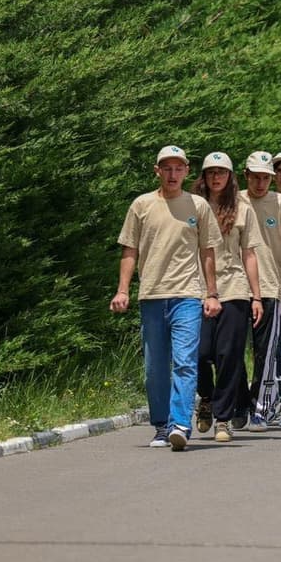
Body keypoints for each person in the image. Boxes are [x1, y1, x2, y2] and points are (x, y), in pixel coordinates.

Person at [111, 145, 222, 451]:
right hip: (152, 295)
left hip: (187, 294)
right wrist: (123, 290)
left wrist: (211, 293)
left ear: (187, 171)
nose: (173, 174)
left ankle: (180, 424)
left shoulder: (198, 206)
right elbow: (129, 250)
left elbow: (207, 251)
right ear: (157, 171)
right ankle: (161, 424)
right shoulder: (141, 205)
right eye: (167, 168)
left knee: (185, 362)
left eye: (179, 168)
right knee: (155, 367)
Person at [192, 153, 264, 443]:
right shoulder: (193, 206)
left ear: (230, 177)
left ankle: (223, 418)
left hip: (234, 288)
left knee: (228, 355)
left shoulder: (243, 209)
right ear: (204, 177)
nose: (216, 177)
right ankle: (206, 397)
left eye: (221, 172)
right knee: (199, 353)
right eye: (211, 172)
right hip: (196, 288)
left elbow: (249, 254)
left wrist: (256, 296)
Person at [238, 151, 281, 431]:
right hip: (236, 286)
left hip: (271, 285)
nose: (261, 183)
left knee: (265, 352)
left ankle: (261, 407)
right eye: (256, 177)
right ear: (246, 175)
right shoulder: (235, 201)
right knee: (231, 351)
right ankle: (237, 404)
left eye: (266, 178)